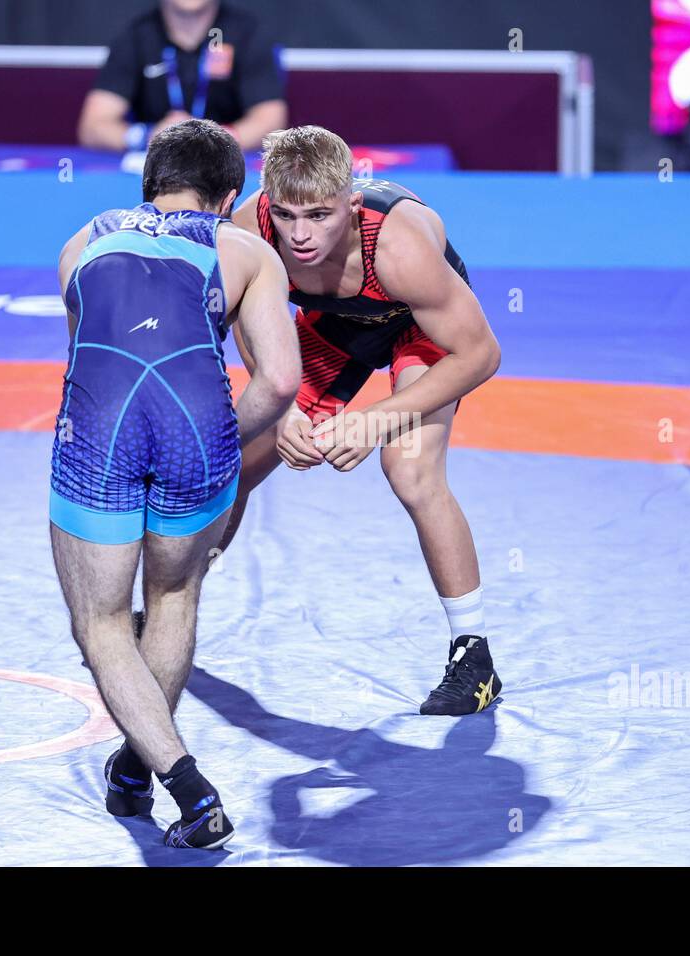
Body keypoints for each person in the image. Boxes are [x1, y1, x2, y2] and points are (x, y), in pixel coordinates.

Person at [49, 119, 300, 849]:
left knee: (100, 622)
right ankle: (133, 769)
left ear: (146, 185)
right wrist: (227, 430)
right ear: (230, 196)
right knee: (174, 597)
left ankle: (188, 790)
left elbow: (89, 356)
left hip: (101, 428)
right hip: (197, 428)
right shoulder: (247, 249)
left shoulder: (81, 240)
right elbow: (282, 381)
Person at [224, 125, 504, 717]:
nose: (300, 236)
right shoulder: (252, 229)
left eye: (320, 216)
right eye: (289, 215)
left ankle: (473, 654)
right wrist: (286, 406)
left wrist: (377, 420)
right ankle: (175, 600)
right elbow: (251, 328)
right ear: (269, 203)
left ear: (351, 207)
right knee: (237, 464)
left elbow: (480, 354)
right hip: (338, 324)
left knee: (409, 470)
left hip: (422, 328)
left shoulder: (399, 247)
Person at [78, 0, 287, 153]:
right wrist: (147, 136)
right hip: (156, 173)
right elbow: (92, 126)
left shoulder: (249, 33)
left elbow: (271, 121)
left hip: (226, 171)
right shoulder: (135, 36)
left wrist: (211, 141)